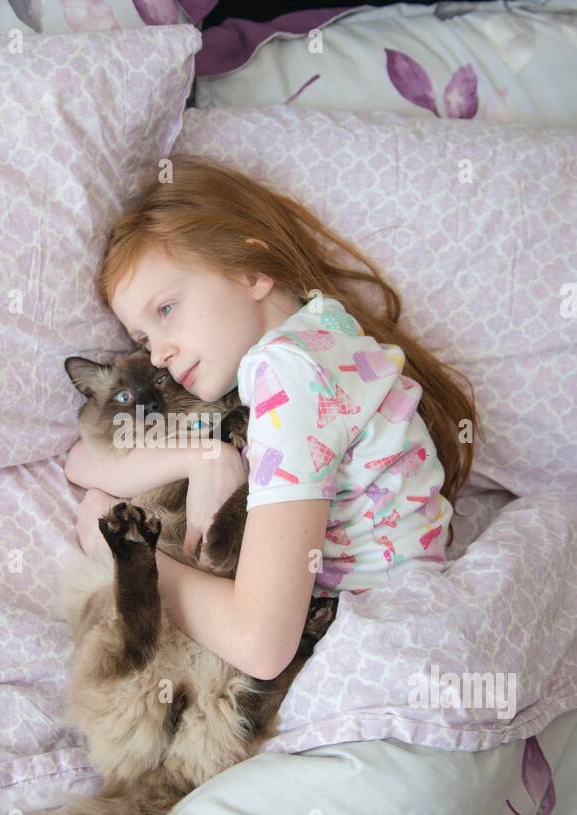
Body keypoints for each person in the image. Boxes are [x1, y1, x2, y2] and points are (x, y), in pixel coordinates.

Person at [64, 155, 480, 682]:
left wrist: (111, 544)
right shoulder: (324, 333)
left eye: (166, 309)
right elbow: (85, 461)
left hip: (375, 652)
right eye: (143, 339)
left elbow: (260, 645)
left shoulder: (286, 371)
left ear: (251, 272)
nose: (158, 354)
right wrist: (204, 456)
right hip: (401, 619)